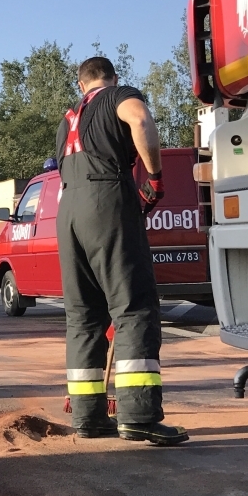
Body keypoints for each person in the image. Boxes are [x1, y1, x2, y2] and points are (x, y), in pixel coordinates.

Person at [53, 57, 187, 445]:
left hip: (69, 211)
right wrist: (156, 178)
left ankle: (89, 417)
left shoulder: (67, 120)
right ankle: (139, 415)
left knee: (83, 318)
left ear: (81, 86)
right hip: (106, 200)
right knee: (134, 308)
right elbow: (141, 120)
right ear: (111, 80)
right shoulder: (119, 96)